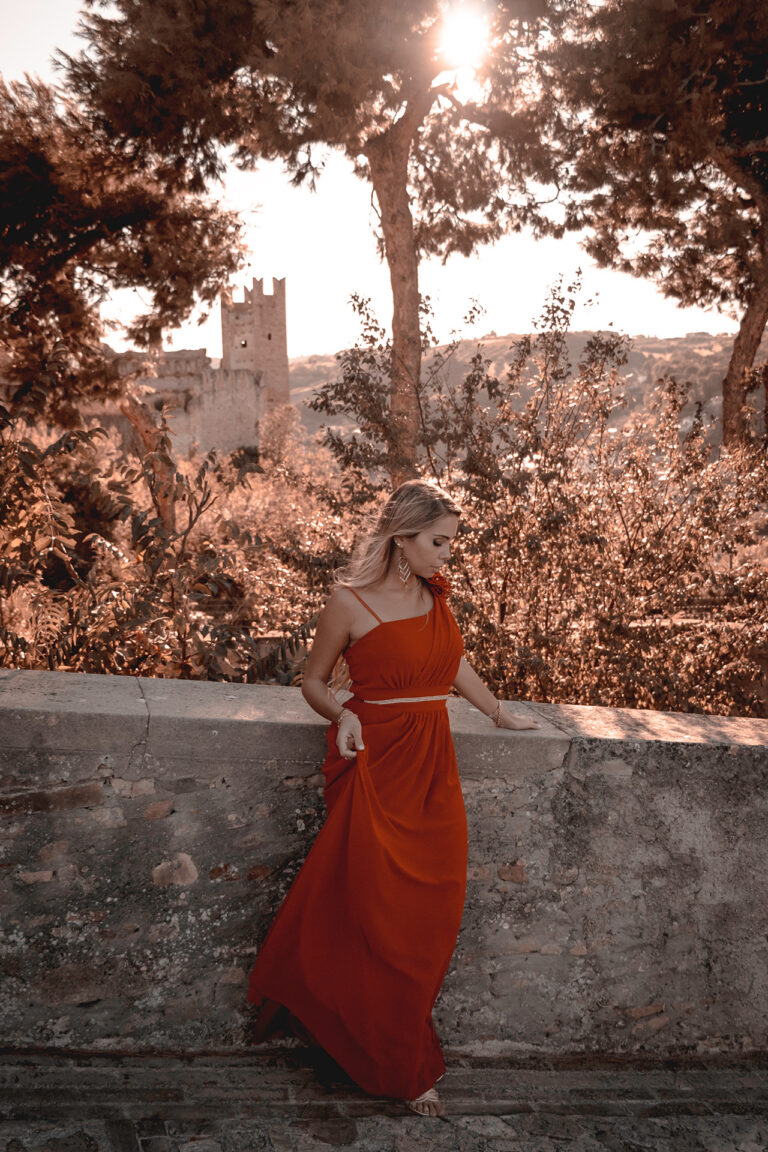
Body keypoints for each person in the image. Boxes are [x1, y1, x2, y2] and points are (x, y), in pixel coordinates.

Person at [247, 478, 540, 1117]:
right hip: (375, 762)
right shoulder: (349, 602)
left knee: (426, 918)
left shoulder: (436, 596)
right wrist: (342, 717)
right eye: (439, 542)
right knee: (378, 916)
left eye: (452, 542)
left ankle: (381, 1035)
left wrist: (497, 713)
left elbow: (450, 663)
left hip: (433, 764)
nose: (448, 555)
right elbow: (315, 680)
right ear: (401, 538)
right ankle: (394, 1058)